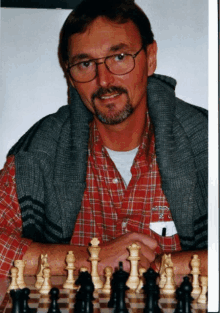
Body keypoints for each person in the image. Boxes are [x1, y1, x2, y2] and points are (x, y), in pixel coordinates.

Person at [0, 0, 207, 278]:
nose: (104, 80)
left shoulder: (207, 141)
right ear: (70, 76)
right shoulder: (40, 150)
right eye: (85, 63)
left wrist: (157, 267)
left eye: (119, 57)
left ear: (151, 57)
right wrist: (88, 259)